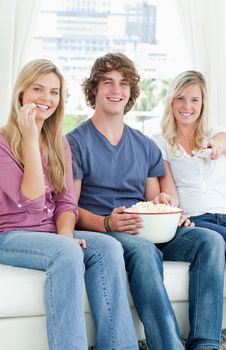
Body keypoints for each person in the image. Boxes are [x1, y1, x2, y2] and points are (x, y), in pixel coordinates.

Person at [67, 52, 225, 350]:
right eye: (108, 82)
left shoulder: (143, 145)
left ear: (131, 91)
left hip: (144, 228)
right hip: (105, 230)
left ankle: (205, 343)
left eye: (124, 83)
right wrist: (106, 222)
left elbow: (154, 200)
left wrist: (167, 206)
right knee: (143, 250)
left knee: (210, 240)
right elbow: (69, 208)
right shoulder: (75, 142)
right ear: (94, 90)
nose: (116, 90)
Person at [0, 59, 139, 350]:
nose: (46, 98)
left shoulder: (59, 143)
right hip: (9, 235)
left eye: (54, 92)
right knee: (66, 252)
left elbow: (66, 202)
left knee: (108, 247)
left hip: (51, 233)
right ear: (21, 94)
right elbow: (33, 201)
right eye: (38, 89)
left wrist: (66, 235)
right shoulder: (3, 142)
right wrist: (29, 138)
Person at [153, 70, 226, 350]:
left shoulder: (214, 134)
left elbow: (225, 142)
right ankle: (205, 343)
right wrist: (171, 207)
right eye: (181, 98)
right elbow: (169, 189)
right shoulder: (160, 142)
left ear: (203, 104)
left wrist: (215, 146)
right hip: (195, 219)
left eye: (195, 100)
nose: (187, 106)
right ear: (171, 101)